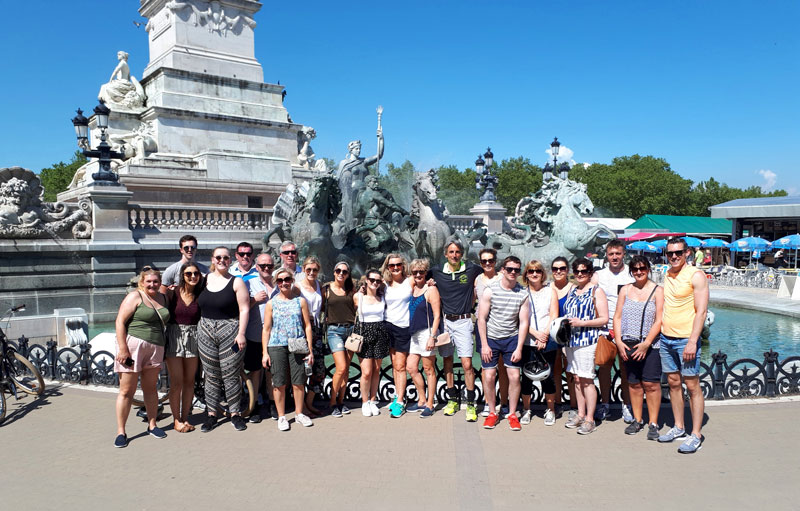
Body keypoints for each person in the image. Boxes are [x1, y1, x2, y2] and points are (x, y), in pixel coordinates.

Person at [657, 237, 709, 454]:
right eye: (670, 253)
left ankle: (695, 433)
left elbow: (702, 311)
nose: (674, 257)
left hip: (685, 340)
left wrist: (692, 341)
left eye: (678, 252)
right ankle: (679, 427)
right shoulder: (667, 274)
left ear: (687, 253)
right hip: (666, 338)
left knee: (692, 385)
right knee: (673, 383)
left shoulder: (696, 276)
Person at [113, 266, 170, 447]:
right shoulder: (135, 297)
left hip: (156, 347)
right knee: (126, 391)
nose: (152, 284)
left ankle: (152, 424)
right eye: (149, 282)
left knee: (151, 389)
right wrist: (123, 349)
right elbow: (120, 321)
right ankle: (121, 431)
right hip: (133, 346)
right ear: (142, 283)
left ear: (160, 282)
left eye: (156, 281)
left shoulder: (162, 297)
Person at [197, 246, 251, 433]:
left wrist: (241, 333)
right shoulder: (203, 280)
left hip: (231, 330)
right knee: (211, 375)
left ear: (230, 260)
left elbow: (244, 308)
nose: (222, 260)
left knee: (231, 374)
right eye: (218, 257)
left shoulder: (237, 282)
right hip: (205, 331)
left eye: (226, 257)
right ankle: (212, 414)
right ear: (212, 259)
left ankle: (235, 413)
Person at [430, 240, 483, 421]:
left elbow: (490, 274)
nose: (454, 255)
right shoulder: (437, 271)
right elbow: (418, 278)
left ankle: (470, 404)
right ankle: (452, 400)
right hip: (445, 323)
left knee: (467, 364)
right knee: (447, 362)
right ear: (446, 254)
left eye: (457, 252)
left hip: (463, 321)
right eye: (451, 252)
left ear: (462, 254)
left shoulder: (471, 269)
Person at [613, 255, 664, 439]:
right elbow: (617, 316)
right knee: (633, 384)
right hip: (628, 343)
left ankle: (653, 422)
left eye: (642, 268)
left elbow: (659, 319)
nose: (639, 272)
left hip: (650, 344)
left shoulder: (657, 290)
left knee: (651, 384)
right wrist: (618, 341)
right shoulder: (626, 290)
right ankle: (637, 419)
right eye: (635, 269)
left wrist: (647, 343)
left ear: (648, 269)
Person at [477, 256, 530, 431]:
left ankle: (512, 414)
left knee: (514, 376)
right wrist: (484, 344)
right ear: (502, 270)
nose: (513, 272)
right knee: (490, 375)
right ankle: (492, 412)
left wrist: (519, 347)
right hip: (491, 338)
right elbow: (481, 319)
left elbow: (523, 323)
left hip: (511, 338)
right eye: (510, 269)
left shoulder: (523, 293)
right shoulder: (490, 291)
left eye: (517, 270)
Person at [261, 266, 315, 431]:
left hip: (297, 344)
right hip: (276, 345)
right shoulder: (271, 303)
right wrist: (264, 353)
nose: (284, 283)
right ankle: (282, 416)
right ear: (276, 283)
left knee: (298, 381)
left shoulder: (301, 301)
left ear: (292, 281)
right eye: (280, 280)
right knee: (279, 382)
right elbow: (266, 329)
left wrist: (310, 349)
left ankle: (299, 413)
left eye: (287, 279)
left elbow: (307, 326)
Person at [562, 258, 608, 435]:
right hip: (571, 341)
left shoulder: (597, 291)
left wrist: (582, 323)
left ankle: (590, 418)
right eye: (577, 271)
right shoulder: (574, 290)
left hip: (587, 340)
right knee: (577, 379)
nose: (580, 274)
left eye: (584, 271)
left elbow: (604, 318)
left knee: (587, 379)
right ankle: (580, 414)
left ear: (590, 273)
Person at [591, 239, 635, 423]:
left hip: (626, 330)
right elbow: (591, 301)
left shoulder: (632, 274)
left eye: (618, 253)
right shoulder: (598, 276)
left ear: (623, 254)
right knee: (604, 369)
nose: (615, 257)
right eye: (611, 254)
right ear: (606, 256)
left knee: (627, 370)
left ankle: (627, 405)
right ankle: (605, 404)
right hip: (605, 329)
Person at [164, 262, 203, 433]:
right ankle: (176, 420)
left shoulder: (201, 294)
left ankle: (185, 417)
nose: (193, 276)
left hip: (194, 338)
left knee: (189, 382)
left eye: (196, 273)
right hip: (174, 336)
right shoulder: (173, 293)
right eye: (188, 274)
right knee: (177, 382)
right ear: (182, 276)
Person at [520, 259, 557, 426]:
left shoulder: (551, 291)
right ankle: (526, 409)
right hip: (528, 339)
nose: (534, 274)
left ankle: (551, 409)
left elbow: (553, 315)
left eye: (538, 271)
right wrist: (535, 334)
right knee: (526, 377)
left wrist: (545, 336)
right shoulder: (522, 292)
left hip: (547, 340)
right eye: (530, 271)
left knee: (547, 376)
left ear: (542, 274)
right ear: (526, 274)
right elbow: (519, 319)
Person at [243, 253, 277, 423]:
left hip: (276, 335)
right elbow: (241, 307)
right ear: (256, 267)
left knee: (272, 371)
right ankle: (254, 404)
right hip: (255, 334)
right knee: (255, 371)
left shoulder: (280, 282)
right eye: (262, 266)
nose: (266, 269)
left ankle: (272, 403)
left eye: (269, 266)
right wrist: (254, 300)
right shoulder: (249, 283)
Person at [405, 258, 441, 418]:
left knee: (429, 369)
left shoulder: (431, 290)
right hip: (414, 334)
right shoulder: (412, 288)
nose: (418, 274)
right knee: (411, 367)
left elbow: (437, 315)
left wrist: (432, 336)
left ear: (426, 272)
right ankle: (421, 399)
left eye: (421, 272)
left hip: (427, 333)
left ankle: (430, 403)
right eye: (415, 272)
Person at [475, 248, 508, 417]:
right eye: (484, 261)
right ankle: (489, 402)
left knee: (502, 366)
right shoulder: (477, 280)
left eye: (490, 260)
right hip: (482, 326)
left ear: (495, 261)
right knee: (486, 366)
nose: (487, 264)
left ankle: (504, 402)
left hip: (501, 326)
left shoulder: (502, 278)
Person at [354, 268, 390, 417]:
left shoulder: (383, 296)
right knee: (366, 372)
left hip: (380, 332)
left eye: (378, 280)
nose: (375, 283)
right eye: (372, 280)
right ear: (366, 281)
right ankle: (364, 401)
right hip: (364, 332)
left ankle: (373, 400)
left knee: (376, 369)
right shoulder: (358, 297)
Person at [382, 254, 413, 418]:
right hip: (388, 326)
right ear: (387, 267)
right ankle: (398, 396)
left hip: (404, 327)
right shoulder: (384, 284)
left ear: (403, 265)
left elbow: (423, 288)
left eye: (398, 265)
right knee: (395, 364)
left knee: (401, 365)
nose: (395, 268)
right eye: (391, 265)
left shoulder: (410, 281)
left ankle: (400, 401)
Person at [324, 261, 357, 417]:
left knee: (346, 370)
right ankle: (332, 401)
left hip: (351, 331)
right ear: (334, 272)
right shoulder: (326, 289)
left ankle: (341, 401)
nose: (341, 273)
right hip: (334, 331)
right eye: (338, 270)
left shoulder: (351, 289)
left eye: (344, 271)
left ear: (348, 274)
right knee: (341, 367)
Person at [297, 256, 326, 416]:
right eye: (308, 269)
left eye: (315, 270)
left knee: (319, 369)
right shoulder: (297, 287)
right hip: (301, 331)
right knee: (301, 369)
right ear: (303, 269)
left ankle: (309, 402)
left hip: (316, 331)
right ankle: (300, 407)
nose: (311, 272)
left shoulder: (318, 285)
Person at [548, 256, 576, 418]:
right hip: (552, 336)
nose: (559, 272)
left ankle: (574, 405)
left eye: (562, 268)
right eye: (555, 269)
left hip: (570, 336)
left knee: (571, 371)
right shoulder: (547, 288)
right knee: (555, 370)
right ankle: (557, 403)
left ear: (567, 270)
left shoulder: (573, 289)